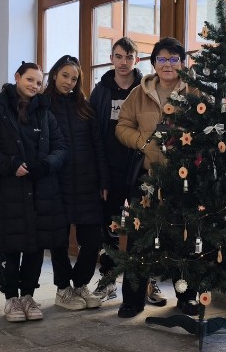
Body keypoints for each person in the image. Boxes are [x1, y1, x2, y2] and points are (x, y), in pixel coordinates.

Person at [0, 62, 68, 323]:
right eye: (29, 80)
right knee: (11, 244)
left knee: (36, 245)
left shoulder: (45, 111)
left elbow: (61, 147)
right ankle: (11, 298)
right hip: (9, 187)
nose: (34, 86)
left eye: (38, 82)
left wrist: (46, 165)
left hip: (41, 187)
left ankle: (28, 295)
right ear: (17, 77)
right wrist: (9, 164)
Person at [114, 37, 191, 318]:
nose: (167, 64)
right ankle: (133, 300)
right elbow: (122, 126)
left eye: (173, 59)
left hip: (183, 177)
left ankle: (187, 297)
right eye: (162, 59)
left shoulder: (195, 92)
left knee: (185, 236)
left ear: (183, 63)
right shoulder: (139, 93)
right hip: (146, 177)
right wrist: (142, 142)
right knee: (139, 238)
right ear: (154, 63)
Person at [44, 55, 109, 311]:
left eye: (74, 78)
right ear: (54, 74)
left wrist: (103, 180)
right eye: (65, 76)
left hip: (87, 183)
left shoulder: (85, 106)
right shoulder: (42, 105)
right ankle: (63, 289)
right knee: (58, 241)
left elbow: (98, 145)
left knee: (92, 240)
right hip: (56, 183)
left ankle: (80, 284)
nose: (69, 82)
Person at [89, 38, 143, 302]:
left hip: (140, 169)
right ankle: (108, 280)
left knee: (143, 228)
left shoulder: (145, 89)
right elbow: (94, 135)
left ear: (137, 60)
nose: (123, 62)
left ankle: (146, 282)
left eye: (129, 57)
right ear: (111, 58)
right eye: (118, 56)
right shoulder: (100, 92)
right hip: (109, 170)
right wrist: (100, 174)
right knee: (108, 227)